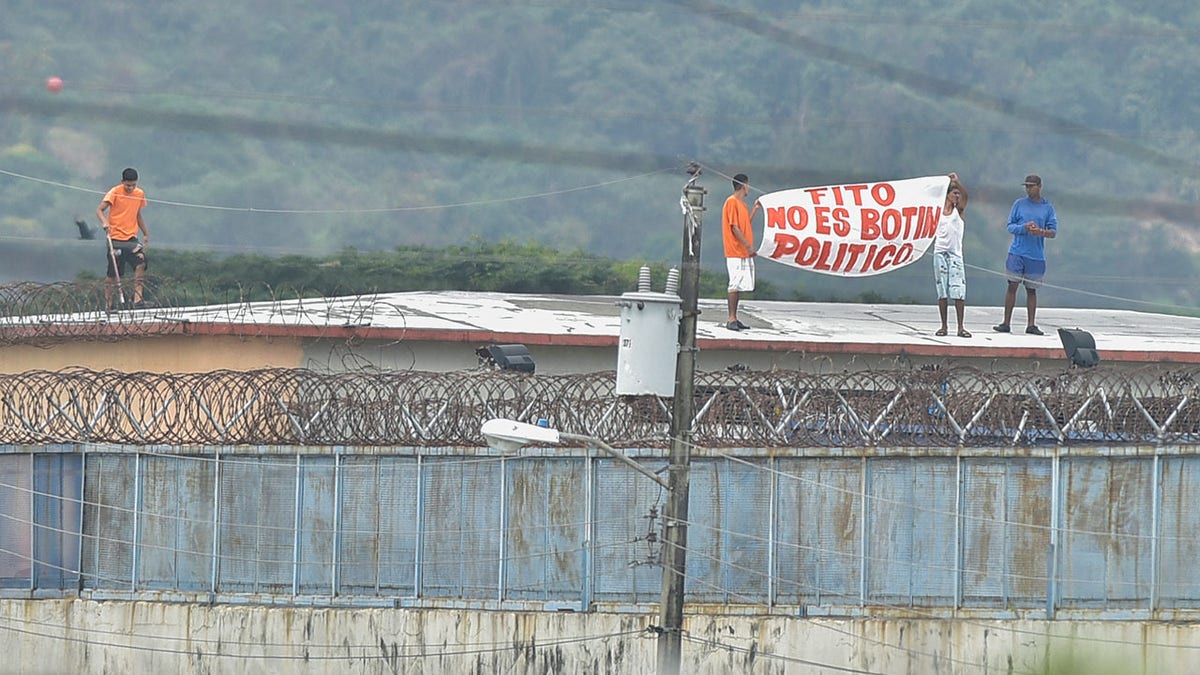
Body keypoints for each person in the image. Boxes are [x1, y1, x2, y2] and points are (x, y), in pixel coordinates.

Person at [994, 174, 1057, 335]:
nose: (1028, 189)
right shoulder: (1019, 204)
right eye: (1026, 186)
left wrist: (1040, 232)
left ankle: (1031, 324)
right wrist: (1024, 228)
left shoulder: (1047, 207)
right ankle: (1006, 322)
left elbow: (1053, 232)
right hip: (1017, 252)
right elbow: (1010, 226)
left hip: (1036, 255)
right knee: (1012, 285)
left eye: (1031, 186)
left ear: (1039, 186)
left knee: (1031, 289)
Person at [97, 167, 150, 310]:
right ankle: (109, 305)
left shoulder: (139, 193)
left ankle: (137, 300)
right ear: (122, 182)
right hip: (115, 238)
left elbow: (138, 214)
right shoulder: (114, 192)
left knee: (141, 263)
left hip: (131, 238)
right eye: (128, 185)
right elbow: (99, 210)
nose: (131, 188)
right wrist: (105, 222)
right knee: (113, 273)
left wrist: (145, 233)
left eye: (133, 185)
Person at [933, 173, 970, 338]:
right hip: (940, 252)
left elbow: (966, 196)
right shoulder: (938, 212)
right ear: (947, 195)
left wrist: (957, 181)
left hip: (955, 254)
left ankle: (960, 327)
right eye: (954, 193)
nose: (957, 196)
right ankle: (944, 326)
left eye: (957, 194)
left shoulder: (958, 211)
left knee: (958, 291)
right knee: (942, 292)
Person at [722, 173, 759, 331]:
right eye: (748, 185)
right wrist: (748, 246)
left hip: (742, 251)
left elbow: (744, 225)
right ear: (744, 185)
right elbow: (734, 227)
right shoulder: (731, 202)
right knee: (734, 283)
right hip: (735, 250)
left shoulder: (742, 205)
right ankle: (731, 318)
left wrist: (754, 210)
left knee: (740, 285)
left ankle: (735, 318)